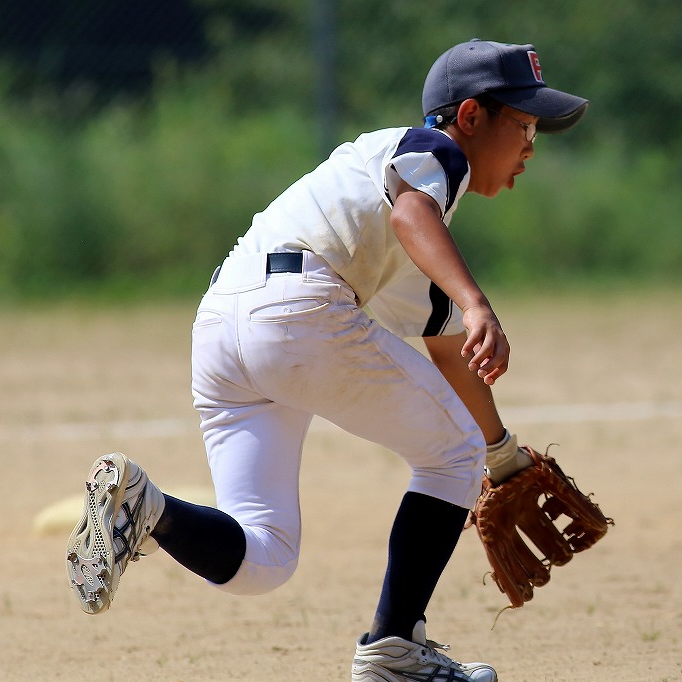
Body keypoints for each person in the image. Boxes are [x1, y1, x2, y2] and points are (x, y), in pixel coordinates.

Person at [65, 38, 588, 682]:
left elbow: (446, 345)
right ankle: (395, 650)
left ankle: (149, 508)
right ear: (472, 116)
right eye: (525, 124)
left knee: (264, 561)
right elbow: (415, 215)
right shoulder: (431, 151)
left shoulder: (395, 211)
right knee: (451, 449)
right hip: (296, 308)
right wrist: (478, 301)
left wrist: (502, 452)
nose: (532, 147)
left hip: (224, 325)